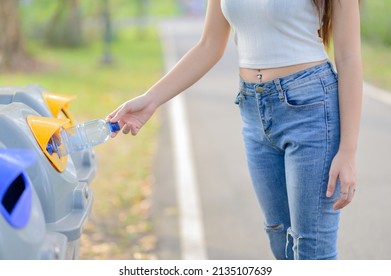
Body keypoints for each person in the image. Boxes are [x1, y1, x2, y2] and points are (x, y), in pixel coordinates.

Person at [106, 0, 362, 260]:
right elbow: (209, 45)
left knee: (311, 251)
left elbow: (349, 57)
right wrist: (150, 100)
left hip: (311, 108)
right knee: (280, 240)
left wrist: (348, 151)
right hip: (253, 108)